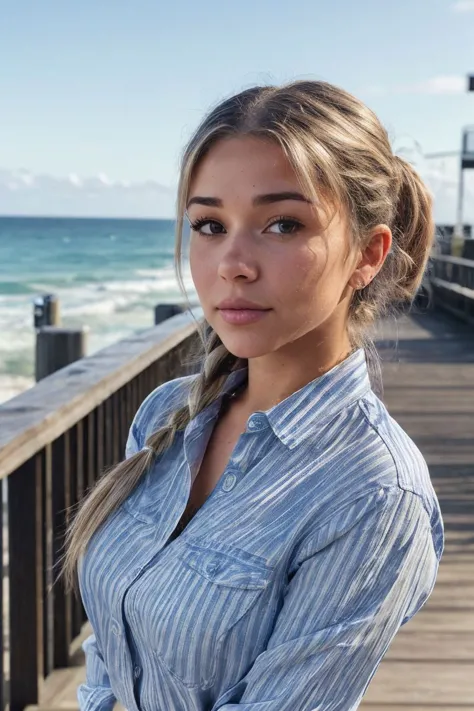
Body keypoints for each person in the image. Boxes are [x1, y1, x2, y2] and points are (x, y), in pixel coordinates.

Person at [61, 80, 444, 711]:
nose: (231, 263)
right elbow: (109, 649)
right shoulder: (167, 414)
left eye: (282, 224)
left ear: (368, 255)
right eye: (209, 224)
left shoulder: (373, 494)